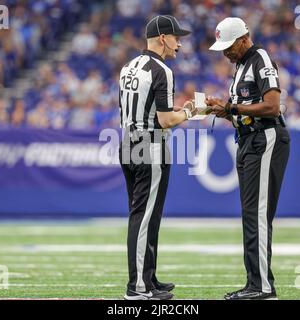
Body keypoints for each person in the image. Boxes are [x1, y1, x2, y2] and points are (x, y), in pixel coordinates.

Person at [205, 17, 290, 300]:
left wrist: (233, 107)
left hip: (265, 138)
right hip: (248, 140)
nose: (226, 52)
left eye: (229, 46)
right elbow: (245, 109)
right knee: (251, 215)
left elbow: (272, 105)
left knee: (258, 214)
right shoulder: (242, 65)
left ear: (244, 39)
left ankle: (263, 287)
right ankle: (255, 283)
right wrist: (225, 111)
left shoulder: (260, 59)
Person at [118, 15, 196, 300]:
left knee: (144, 215)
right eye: (176, 37)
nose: (179, 43)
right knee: (144, 216)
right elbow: (164, 120)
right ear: (163, 37)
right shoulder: (162, 70)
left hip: (127, 142)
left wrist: (179, 112)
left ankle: (147, 278)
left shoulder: (128, 66)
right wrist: (189, 112)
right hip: (149, 145)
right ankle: (138, 286)